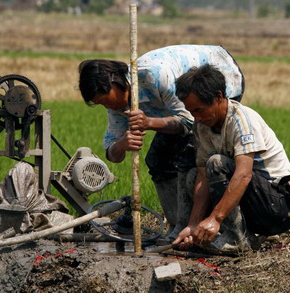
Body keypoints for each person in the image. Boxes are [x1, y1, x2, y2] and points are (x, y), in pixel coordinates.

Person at [78, 45, 244, 243]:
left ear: (117, 82)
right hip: (177, 111)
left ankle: (209, 229)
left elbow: (189, 120)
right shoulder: (116, 105)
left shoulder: (154, 75)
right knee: (157, 159)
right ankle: (176, 226)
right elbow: (112, 152)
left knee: (189, 156)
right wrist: (123, 143)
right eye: (102, 104)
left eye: (108, 100)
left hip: (219, 79)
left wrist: (149, 122)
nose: (110, 107)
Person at [172, 64, 290, 254]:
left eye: (199, 110)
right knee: (193, 175)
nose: (195, 118)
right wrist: (193, 224)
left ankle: (236, 239)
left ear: (219, 97)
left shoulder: (242, 121)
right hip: (251, 201)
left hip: (277, 206)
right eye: (191, 112)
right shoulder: (203, 126)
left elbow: (243, 175)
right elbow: (203, 178)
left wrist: (215, 218)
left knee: (216, 163)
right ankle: (230, 233)